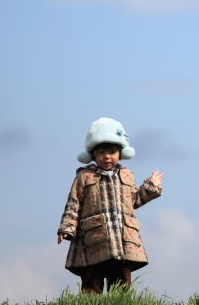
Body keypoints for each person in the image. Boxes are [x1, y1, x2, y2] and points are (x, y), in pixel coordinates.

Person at [57, 118, 164, 294]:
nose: (107, 156)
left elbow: (134, 201)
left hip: (122, 238)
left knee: (121, 278)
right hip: (94, 238)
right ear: (93, 155)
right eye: (101, 152)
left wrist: (151, 186)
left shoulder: (127, 175)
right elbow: (74, 203)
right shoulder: (85, 177)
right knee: (92, 278)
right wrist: (67, 227)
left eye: (112, 152)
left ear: (120, 153)